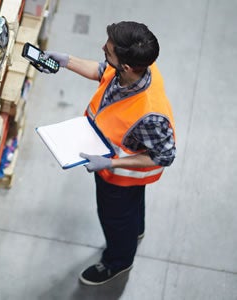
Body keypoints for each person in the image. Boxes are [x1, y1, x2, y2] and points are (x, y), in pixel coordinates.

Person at [44, 21, 176, 285]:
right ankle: (135, 230)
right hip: (110, 166)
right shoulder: (136, 69)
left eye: (109, 50)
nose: (102, 48)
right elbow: (103, 71)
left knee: (115, 219)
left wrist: (111, 163)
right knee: (130, 214)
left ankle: (118, 261)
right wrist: (66, 61)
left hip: (120, 179)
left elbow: (165, 156)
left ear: (126, 66)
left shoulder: (150, 115)